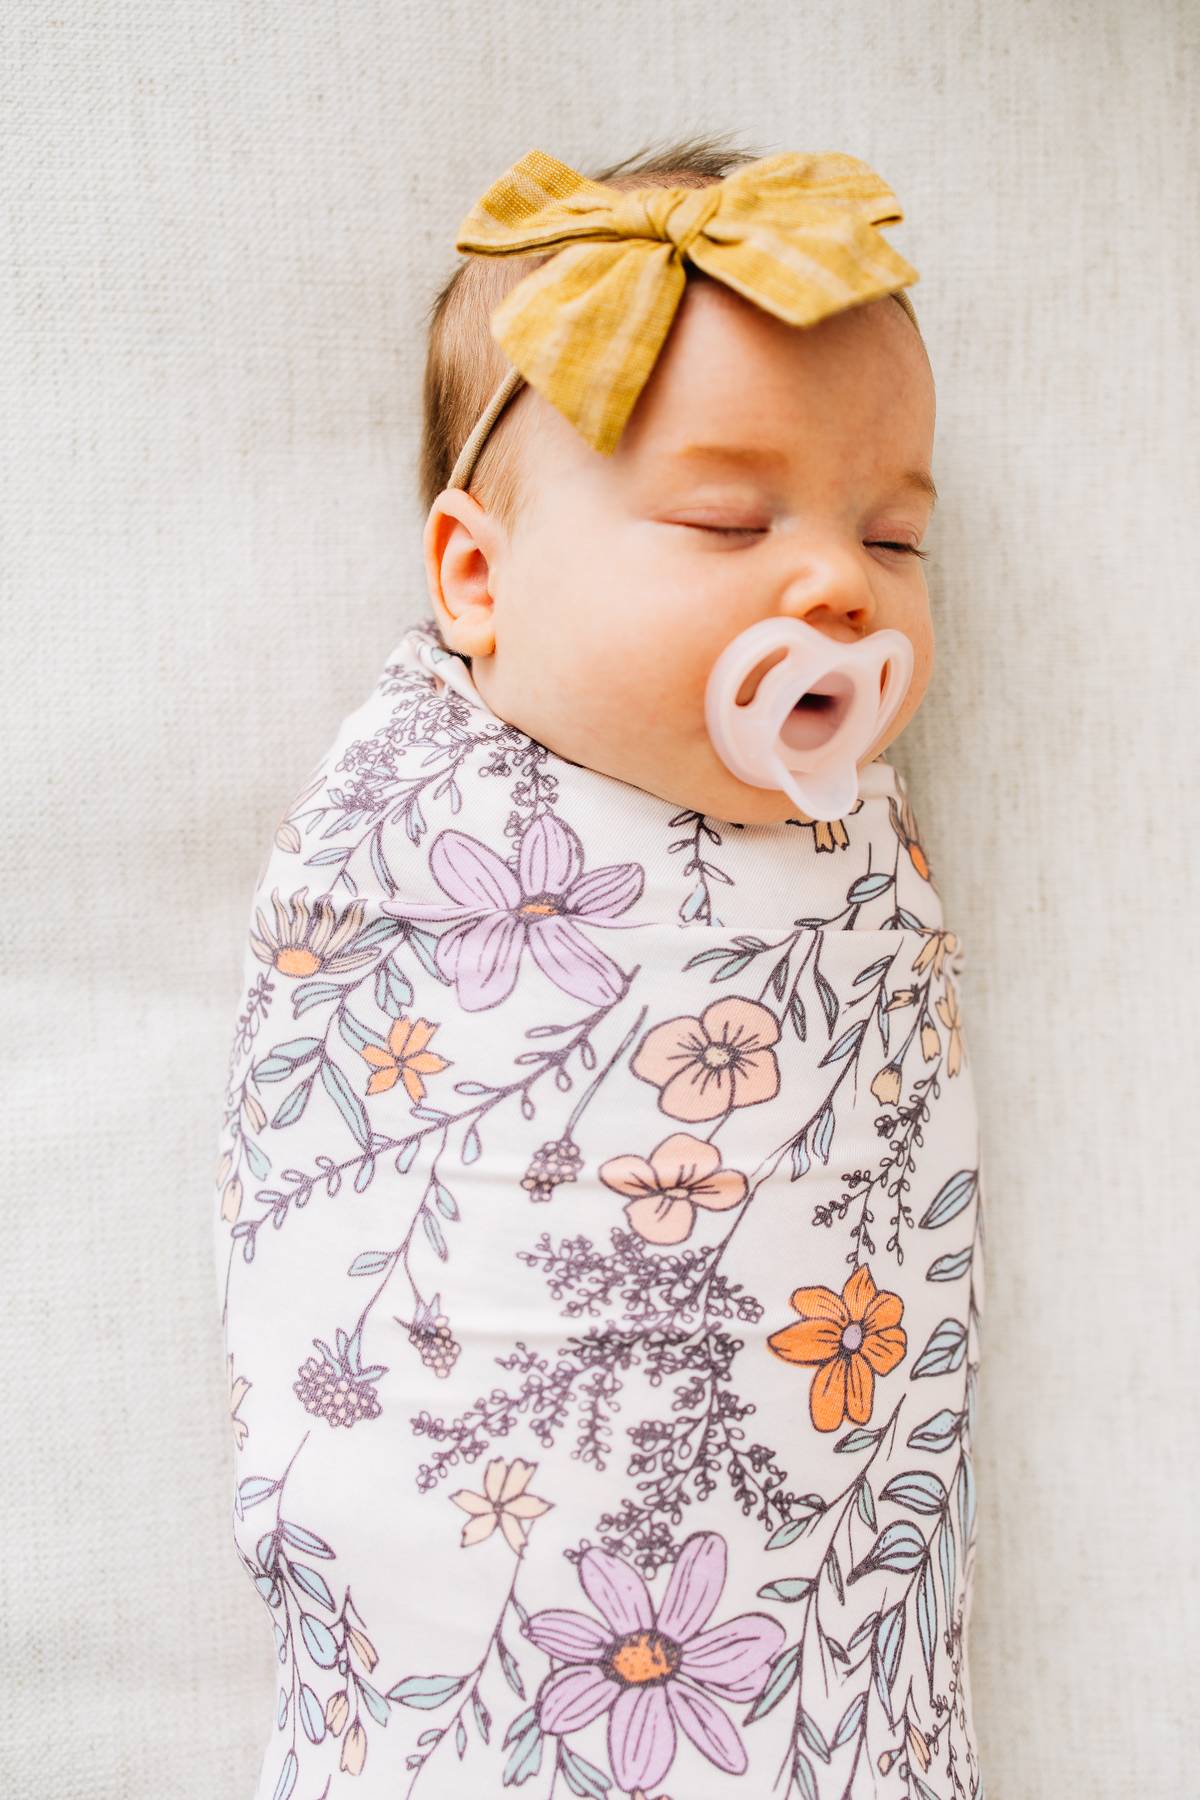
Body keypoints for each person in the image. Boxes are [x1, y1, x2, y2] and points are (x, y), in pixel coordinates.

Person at [214, 134, 987, 1799]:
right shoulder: (406, 846)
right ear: (475, 578)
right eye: (727, 518)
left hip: (795, 1637)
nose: (838, 586)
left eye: (895, 538)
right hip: (480, 1624)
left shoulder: (848, 858)